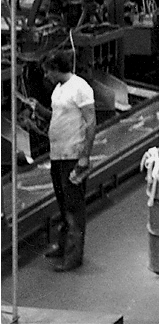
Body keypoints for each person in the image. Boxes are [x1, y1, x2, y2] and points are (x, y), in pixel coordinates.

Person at [41, 50, 96, 271]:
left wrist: (85, 156)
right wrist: (39, 110)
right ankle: (64, 246)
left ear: (56, 68)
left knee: (73, 207)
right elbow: (58, 118)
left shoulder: (80, 87)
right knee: (63, 205)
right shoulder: (59, 89)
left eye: (48, 71)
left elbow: (90, 122)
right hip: (58, 155)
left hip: (73, 156)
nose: (46, 75)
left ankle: (73, 257)